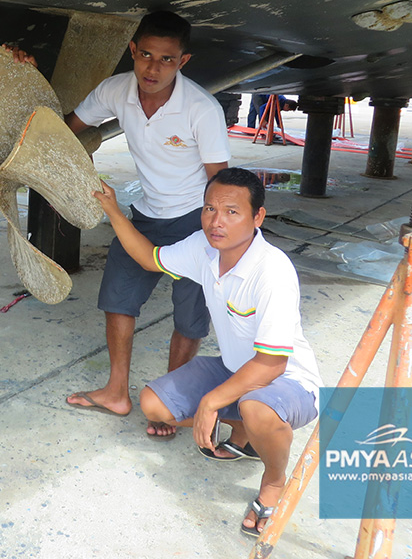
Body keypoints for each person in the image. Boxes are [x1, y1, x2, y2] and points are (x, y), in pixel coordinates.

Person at [93, 167, 321, 537]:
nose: (217, 221)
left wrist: (211, 402)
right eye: (209, 209)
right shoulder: (203, 246)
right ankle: (243, 430)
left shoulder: (272, 271)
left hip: (287, 381)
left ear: (257, 217)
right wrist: (113, 210)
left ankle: (274, 481)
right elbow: (150, 258)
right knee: (154, 406)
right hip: (233, 369)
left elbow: (272, 362)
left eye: (232, 212)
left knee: (257, 407)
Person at [56, 11, 231, 437]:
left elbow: (221, 185)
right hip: (147, 215)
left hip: (194, 220)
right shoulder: (116, 91)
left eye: (166, 60)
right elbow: (70, 129)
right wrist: (75, 167)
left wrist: (216, 240)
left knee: (189, 319)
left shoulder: (200, 109)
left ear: (183, 62)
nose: (153, 68)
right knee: (117, 298)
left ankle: (174, 401)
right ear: (133, 51)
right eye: (146, 55)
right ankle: (117, 392)